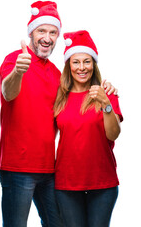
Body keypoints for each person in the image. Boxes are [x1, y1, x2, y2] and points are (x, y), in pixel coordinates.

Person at [0, 0, 117, 227]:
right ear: (31, 33)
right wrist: (18, 72)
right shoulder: (15, 61)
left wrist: (107, 88)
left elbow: (77, 99)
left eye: (53, 32)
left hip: (50, 170)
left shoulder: (56, 74)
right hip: (17, 168)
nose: (47, 37)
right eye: (41, 30)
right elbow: (8, 92)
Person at [54, 30, 123, 227]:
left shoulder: (106, 94)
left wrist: (106, 104)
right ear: (69, 65)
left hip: (103, 184)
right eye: (76, 62)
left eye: (87, 61)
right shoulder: (60, 97)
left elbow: (114, 134)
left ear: (94, 64)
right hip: (66, 184)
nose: (82, 67)